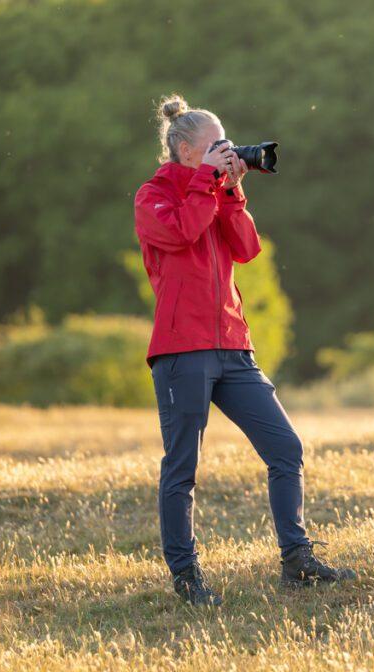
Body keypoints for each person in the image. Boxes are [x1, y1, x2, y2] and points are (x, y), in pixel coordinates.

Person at [133, 94, 356, 606]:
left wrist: (231, 192)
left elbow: (248, 249)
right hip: (181, 349)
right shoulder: (153, 196)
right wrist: (205, 183)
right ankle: (187, 578)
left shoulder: (212, 188)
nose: (229, 151)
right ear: (187, 151)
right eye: (217, 146)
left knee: (286, 449)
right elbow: (183, 231)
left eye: (228, 143)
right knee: (182, 466)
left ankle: (297, 561)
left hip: (233, 345)